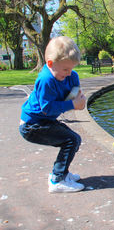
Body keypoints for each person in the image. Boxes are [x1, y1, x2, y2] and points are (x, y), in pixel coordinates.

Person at [19, 36, 87, 193]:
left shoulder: (72, 76)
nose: (69, 73)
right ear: (50, 64)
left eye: (71, 68)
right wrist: (72, 104)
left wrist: (79, 100)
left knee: (73, 140)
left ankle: (62, 173)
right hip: (32, 125)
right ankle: (57, 180)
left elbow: (74, 94)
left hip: (43, 122)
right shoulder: (46, 79)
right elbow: (47, 108)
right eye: (65, 69)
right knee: (71, 140)